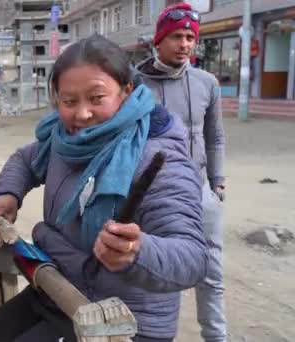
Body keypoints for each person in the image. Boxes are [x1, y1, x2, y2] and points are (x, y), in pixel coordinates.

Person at [0, 35, 208, 342]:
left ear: (126, 91)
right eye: (69, 101)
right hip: (58, 290)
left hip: (122, 323)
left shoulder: (158, 158)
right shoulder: (62, 139)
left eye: (96, 98)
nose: (81, 114)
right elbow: (25, 160)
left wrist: (138, 251)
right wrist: (8, 194)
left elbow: (193, 258)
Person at [135, 3, 227, 342]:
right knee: (158, 274)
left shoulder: (207, 83)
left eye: (190, 37)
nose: (185, 44)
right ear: (159, 40)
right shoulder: (135, 85)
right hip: (153, 194)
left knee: (212, 275)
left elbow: (214, 136)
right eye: (177, 36)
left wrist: (217, 182)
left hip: (200, 192)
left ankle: (216, 338)